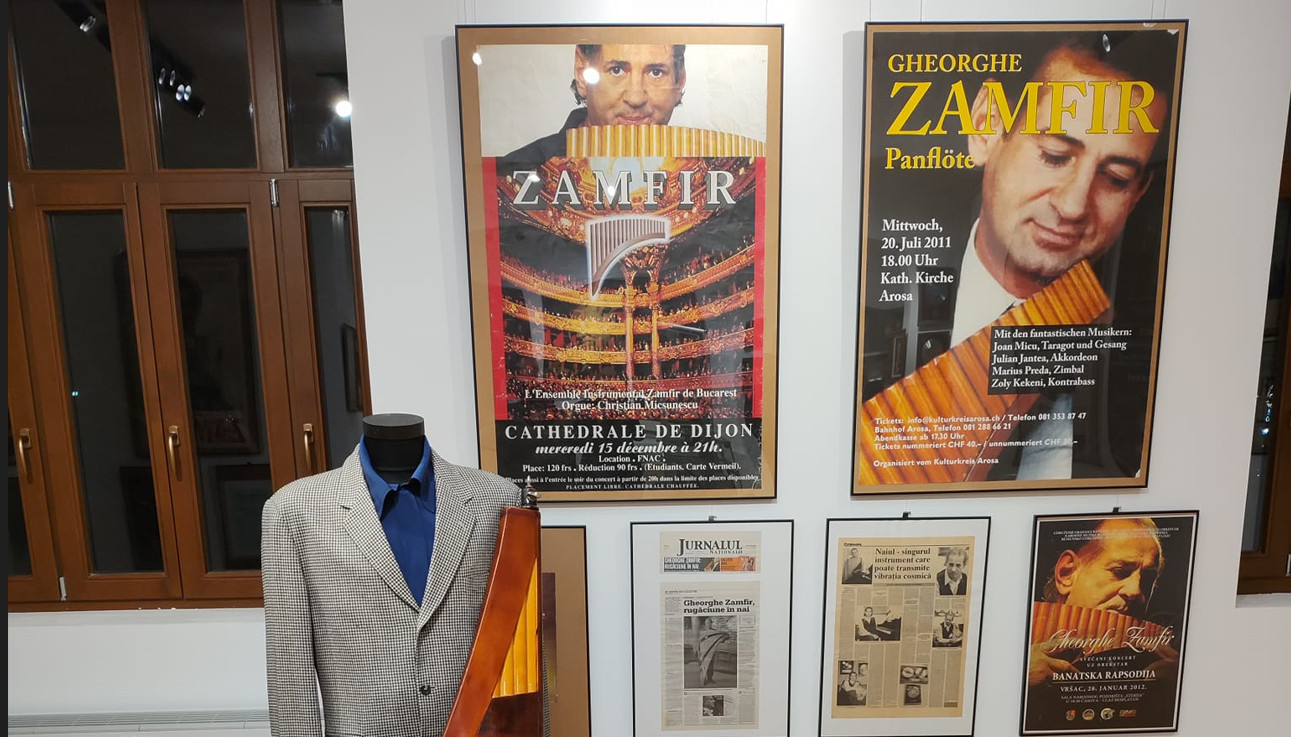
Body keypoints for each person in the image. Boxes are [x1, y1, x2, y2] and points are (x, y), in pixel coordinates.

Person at [867, 31, 1179, 483]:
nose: (1073, 206)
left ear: (1138, 195)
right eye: (1054, 156)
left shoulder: (1152, 354)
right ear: (986, 128)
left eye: (1115, 178)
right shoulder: (868, 315)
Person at [261, 414, 537, 737]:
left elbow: (527, 636)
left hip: (477, 727)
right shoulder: (294, 511)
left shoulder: (497, 497)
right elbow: (289, 666)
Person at [1024, 517, 1177, 730]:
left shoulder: (1163, 662)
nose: (1135, 591)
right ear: (1066, 573)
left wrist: (1176, 695)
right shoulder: (1011, 641)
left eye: (1147, 579)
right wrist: (1017, 681)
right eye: (1120, 571)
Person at [503, 43, 687, 166]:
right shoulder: (514, 176)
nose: (636, 98)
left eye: (656, 72)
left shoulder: (703, 177)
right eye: (616, 70)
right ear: (581, 72)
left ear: (679, 81)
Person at [694, 616, 732, 687]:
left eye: (709, 623)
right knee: (704, 665)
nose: (708, 624)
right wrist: (698, 650)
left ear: (711, 623)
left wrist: (723, 638)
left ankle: (710, 678)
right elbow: (699, 642)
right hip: (704, 651)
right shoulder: (702, 632)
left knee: (711, 665)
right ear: (705, 624)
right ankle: (705, 679)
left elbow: (722, 637)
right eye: (707, 623)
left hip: (711, 651)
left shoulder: (715, 632)